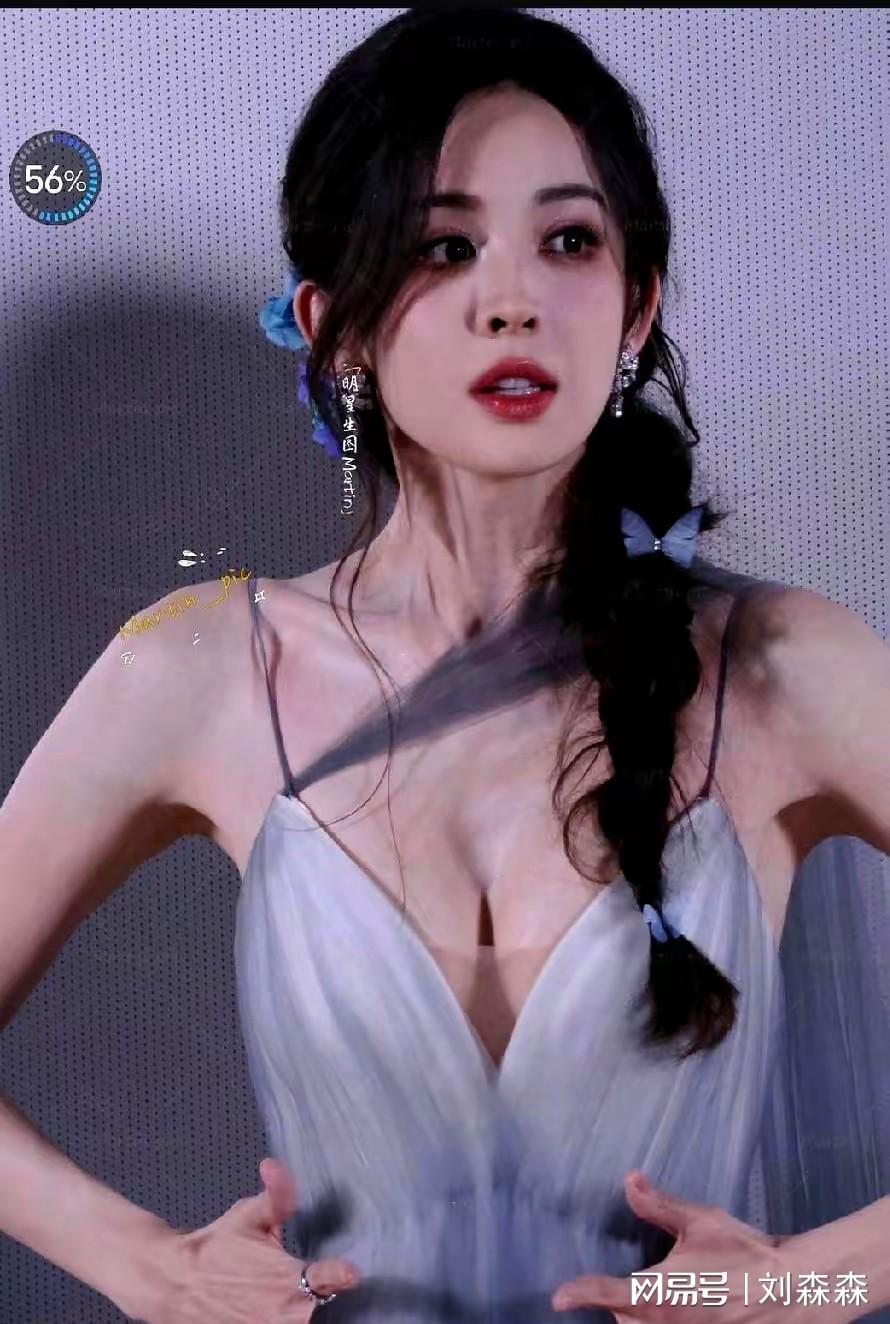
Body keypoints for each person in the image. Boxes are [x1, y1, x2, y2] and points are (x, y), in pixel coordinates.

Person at [1, 7, 888, 1322]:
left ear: (636, 304)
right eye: (443, 245)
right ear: (334, 327)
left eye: (568, 240)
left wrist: (809, 1286)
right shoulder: (203, 669)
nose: (512, 299)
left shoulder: (781, 668)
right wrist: (145, 1268)